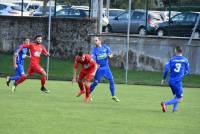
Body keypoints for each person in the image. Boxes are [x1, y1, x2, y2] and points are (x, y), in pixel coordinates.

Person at [90, 37, 120, 102]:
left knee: (111, 80)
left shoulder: (106, 47)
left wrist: (109, 55)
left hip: (106, 68)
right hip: (99, 69)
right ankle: (88, 93)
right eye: (94, 41)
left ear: (100, 41)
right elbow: (93, 59)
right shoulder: (94, 50)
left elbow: (111, 55)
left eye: (96, 40)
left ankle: (113, 95)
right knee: (95, 82)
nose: (95, 42)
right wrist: (94, 62)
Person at [161, 46, 189, 112]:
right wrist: (182, 74)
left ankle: (174, 109)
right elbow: (187, 72)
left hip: (171, 81)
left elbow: (166, 70)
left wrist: (163, 79)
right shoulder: (185, 60)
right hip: (177, 81)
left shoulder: (171, 59)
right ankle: (165, 103)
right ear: (182, 51)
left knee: (177, 95)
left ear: (175, 51)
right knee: (180, 98)